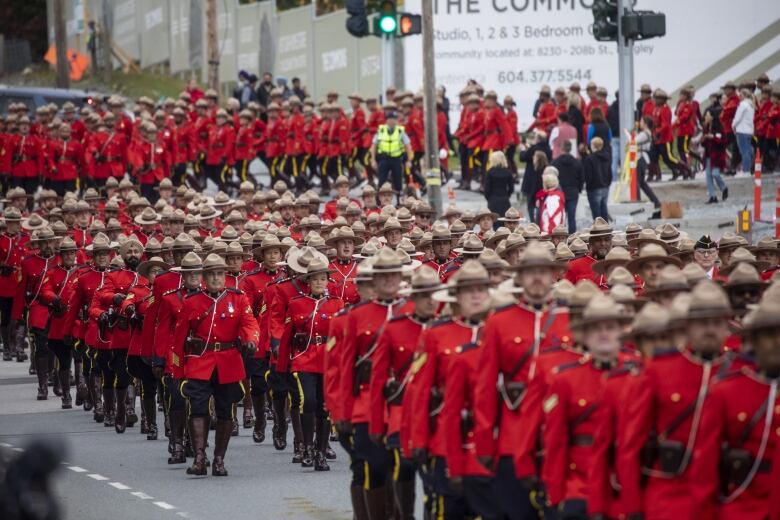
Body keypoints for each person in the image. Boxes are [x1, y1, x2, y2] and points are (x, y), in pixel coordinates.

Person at [172, 253, 260, 477]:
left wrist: (251, 341)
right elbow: (179, 339)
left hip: (228, 361)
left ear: (225, 276)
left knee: (225, 410)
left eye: (220, 274)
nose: (216, 278)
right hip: (200, 360)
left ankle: (219, 459)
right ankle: (200, 458)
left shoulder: (238, 298)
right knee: (198, 407)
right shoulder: (192, 301)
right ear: (204, 277)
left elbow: (250, 324)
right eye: (211, 274)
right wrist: (177, 369)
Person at [370, 112, 413, 198]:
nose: (392, 121)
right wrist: (373, 160)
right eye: (390, 119)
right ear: (386, 120)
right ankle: (379, 200)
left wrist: (409, 160)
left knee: (398, 181)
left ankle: (398, 201)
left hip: (396, 159)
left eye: (394, 119)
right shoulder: (381, 130)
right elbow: (374, 146)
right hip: (384, 159)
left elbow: (408, 146)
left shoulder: (400, 131)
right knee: (381, 181)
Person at [627, 118, 662, 209]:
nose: (640, 123)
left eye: (642, 121)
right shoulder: (647, 133)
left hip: (640, 158)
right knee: (642, 182)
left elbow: (633, 141)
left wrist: (629, 133)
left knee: (637, 181)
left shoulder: (644, 134)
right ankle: (655, 201)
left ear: (646, 124)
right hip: (643, 158)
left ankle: (638, 202)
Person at [552, 139, 584, 233]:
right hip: (573, 192)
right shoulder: (577, 162)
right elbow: (581, 178)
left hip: (559, 192)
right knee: (571, 217)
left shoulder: (555, 162)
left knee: (560, 217)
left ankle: (561, 236)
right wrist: (579, 188)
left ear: (561, 148)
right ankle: (572, 238)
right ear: (570, 149)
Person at [701, 110, 729, 204]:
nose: (705, 117)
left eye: (707, 115)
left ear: (712, 117)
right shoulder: (706, 127)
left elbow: (723, 141)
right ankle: (712, 196)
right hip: (708, 155)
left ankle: (724, 187)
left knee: (715, 174)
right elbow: (703, 143)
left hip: (717, 156)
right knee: (708, 175)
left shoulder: (719, 128)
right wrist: (704, 139)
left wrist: (713, 137)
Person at [583, 137, 612, 222]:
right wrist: (607, 184)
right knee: (604, 210)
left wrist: (588, 186)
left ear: (593, 146)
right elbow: (609, 172)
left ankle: (598, 231)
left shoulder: (590, 158)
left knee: (596, 214)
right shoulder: (607, 157)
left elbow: (588, 175)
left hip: (594, 188)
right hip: (605, 186)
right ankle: (606, 231)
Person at [483, 150, 514, 222]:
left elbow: (487, 189)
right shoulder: (508, 172)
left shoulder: (490, 172)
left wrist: (489, 198)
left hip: (493, 199)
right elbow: (511, 188)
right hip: (504, 199)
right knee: (504, 222)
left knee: (494, 222)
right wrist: (507, 195)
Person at [520, 148, 549, 224]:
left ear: (538, 159)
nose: (533, 158)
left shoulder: (538, 171)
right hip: (539, 197)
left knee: (535, 218)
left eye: (535, 157)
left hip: (536, 197)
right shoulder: (544, 170)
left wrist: (530, 194)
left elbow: (536, 185)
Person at [536, 167, 566, 235]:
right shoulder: (547, 194)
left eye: (544, 174)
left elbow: (553, 218)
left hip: (550, 234)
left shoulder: (553, 196)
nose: (542, 176)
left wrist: (547, 234)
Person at [733, 88, 755, 174]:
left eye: (741, 95)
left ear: (744, 95)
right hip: (749, 130)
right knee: (748, 150)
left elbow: (738, 117)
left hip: (742, 130)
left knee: (744, 151)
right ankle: (747, 168)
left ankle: (746, 170)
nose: (739, 97)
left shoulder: (743, 104)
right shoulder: (751, 105)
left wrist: (733, 125)